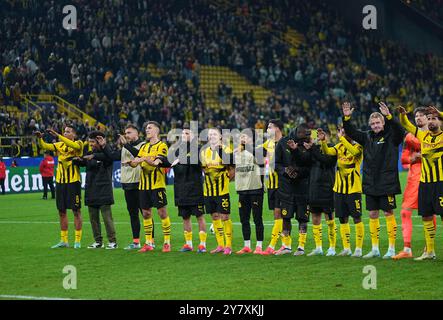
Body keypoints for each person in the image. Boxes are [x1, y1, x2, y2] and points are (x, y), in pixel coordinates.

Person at [342, 101, 404, 259]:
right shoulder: (366, 136)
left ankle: (391, 248)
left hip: (387, 182)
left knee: (388, 212)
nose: (375, 125)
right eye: (373, 123)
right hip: (370, 182)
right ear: (370, 125)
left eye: (378, 122)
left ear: (383, 123)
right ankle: (375, 248)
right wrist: (347, 118)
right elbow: (351, 131)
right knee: (372, 214)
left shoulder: (391, 136)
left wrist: (390, 116)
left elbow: (400, 130)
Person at [397, 105, 443, 260]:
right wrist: (403, 116)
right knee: (427, 216)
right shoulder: (423, 137)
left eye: (434, 119)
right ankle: (429, 251)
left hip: (441, 182)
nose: (430, 121)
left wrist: (440, 113)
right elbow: (407, 125)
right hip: (425, 183)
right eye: (429, 118)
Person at [35, 126, 84, 249]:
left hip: (73, 182)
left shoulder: (78, 143)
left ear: (74, 134)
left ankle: (77, 241)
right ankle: (64, 240)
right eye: (64, 131)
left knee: (76, 211)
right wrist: (40, 139)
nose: (65, 133)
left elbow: (74, 146)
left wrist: (57, 135)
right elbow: (45, 147)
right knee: (61, 212)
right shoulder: (59, 145)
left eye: (68, 131)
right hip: (60, 182)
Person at [319, 126, 365, 257]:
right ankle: (346, 248)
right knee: (342, 218)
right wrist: (323, 141)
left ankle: (358, 249)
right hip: (339, 189)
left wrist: (342, 139)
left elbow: (354, 153)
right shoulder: (339, 147)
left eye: (345, 132)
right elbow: (327, 152)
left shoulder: (358, 147)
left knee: (356, 217)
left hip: (353, 188)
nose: (343, 134)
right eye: (342, 132)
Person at [127, 121, 172, 253]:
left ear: (156, 131)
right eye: (146, 128)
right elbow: (136, 163)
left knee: (162, 212)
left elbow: (156, 163)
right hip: (143, 186)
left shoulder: (162, 146)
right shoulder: (144, 147)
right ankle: (148, 243)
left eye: (149, 128)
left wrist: (143, 160)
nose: (147, 130)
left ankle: (167, 242)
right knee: (146, 213)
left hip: (157, 185)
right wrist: (131, 163)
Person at [74, 131, 117, 249]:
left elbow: (109, 158)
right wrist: (77, 160)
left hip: (104, 188)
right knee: (93, 218)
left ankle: (112, 241)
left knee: (106, 217)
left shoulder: (107, 152)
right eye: (89, 142)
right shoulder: (89, 153)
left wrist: (96, 153)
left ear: (99, 141)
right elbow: (83, 161)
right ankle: (98, 241)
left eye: (93, 142)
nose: (91, 144)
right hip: (91, 188)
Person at [168, 124, 207, 253]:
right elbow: (169, 161)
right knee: (185, 217)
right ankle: (188, 244)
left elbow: (198, 161)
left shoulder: (199, 149)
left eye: (187, 133)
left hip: (195, 188)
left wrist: (180, 159)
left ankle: (202, 244)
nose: (184, 136)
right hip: (181, 188)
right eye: (183, 133)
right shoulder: (177, 150)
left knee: (199, 216)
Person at [274, 124, 311, 256]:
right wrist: (285, 171)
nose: (305, 137)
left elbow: (309, 166)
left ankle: (301, 247)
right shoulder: (282, 143)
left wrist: (298, 172)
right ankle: (286, 246)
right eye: (302, 134)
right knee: (286, 217)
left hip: (302, 187)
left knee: (302, 218)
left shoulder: (307, 144)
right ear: (296, 132)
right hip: (286, 188)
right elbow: (276, 164)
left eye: (306, 135)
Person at [301, 128, 337, 257]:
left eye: (322, 135)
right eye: (318, 135)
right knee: (315, 217)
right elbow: (304, 162)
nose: (319, 137)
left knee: (329, 218)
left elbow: (327, 161)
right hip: (314, 188)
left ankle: (332, 247)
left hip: (328, 187)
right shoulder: (313, 149)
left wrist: (312, 149)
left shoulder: (333, 148)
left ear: (327, 136)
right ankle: (318, 247)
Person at [200, 127, 234, 255]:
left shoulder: (226, 150)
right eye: (210, 134)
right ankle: (220, 245)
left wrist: (225, 180)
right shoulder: (204, 152)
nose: (212, 136)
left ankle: (228, 246)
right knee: (214, 216)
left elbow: (232, 169)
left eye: (214, 134)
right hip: (208, 191)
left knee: (225, 216)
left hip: (222, 190)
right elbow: (204, 169)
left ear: (220, 136)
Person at [116, 124, 148, 250]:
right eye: (125, 133)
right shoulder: (125, 147)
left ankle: (150, 241)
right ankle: (136, 242)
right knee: (133, 214)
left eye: (129, 132)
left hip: (140, 183)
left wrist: (126, 145)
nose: (126, 135)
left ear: (137, 133)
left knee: (145, 213)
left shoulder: (143, 145)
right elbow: (113, 156)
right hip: (127, 184)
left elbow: (139, 154)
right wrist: (103, 147)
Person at [234, 129, 265, 254]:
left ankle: (259, 246)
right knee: (244, 219)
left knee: (257, 218)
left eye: (245, 136)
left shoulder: (258, 150)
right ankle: (247, 245)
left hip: (255, 189)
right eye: (241, 136)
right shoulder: (237, 153)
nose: (242, 138)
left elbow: (261, 161)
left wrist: (246, 146)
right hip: (242, 190)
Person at [262, 119, 284, 255]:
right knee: (277, 215)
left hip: (282, 185)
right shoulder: (267, 144)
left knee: (279, 214)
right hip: (271, 184)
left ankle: (272, 245)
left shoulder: (285, 143)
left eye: (269, 127)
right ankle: (285, 244)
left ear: (277, 128)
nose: (267, 130)